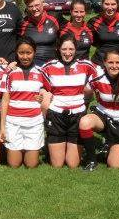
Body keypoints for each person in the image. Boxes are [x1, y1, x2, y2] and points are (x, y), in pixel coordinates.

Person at [41, 35, 97, 169]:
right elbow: (33, 78)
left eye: (71, 49)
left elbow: (107, 70)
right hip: (56, 115)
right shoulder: (48, 67)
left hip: (77, 115)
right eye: (64, 49)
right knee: (57, 165)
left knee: (72, 165)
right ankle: (52, 146)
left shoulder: (86, 65)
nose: (67, 53)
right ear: (58, 49)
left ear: (76, 49)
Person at [79, 49, 119, 170]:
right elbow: (85, 92)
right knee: (85, 122)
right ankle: (92, 161)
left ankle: (109, 145)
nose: (114, 66)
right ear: (104, 63)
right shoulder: (97, 78)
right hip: (103, 117)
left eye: (117, 62)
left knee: (114, 165)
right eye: (110, 62)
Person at [0, 37, 48, 168]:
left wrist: (42, 95)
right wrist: (2, 127)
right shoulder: (9, 72)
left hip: (34, 123)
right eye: (21, 53)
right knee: (14, 165)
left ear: (35, 52)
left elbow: (48, 91)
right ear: (16, 52)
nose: (25, 56)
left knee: (31, 165)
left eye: (29, 52)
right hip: (13, 122)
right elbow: (5, 100)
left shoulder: (41, 71)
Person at [19, 0, 60, 66]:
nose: (34, 9)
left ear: (43, 3)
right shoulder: (23, 23)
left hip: (53, 65)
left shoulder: (55, 19)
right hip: (32, 67)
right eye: (30, 6)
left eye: (37, 5)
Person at [89, 0, 119, 65]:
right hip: (99, 63)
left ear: (117, 5)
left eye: (113, 4)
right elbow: (92, 42)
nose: (110, 7)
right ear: (102, 4)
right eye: (107, 4)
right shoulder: (94, 22)